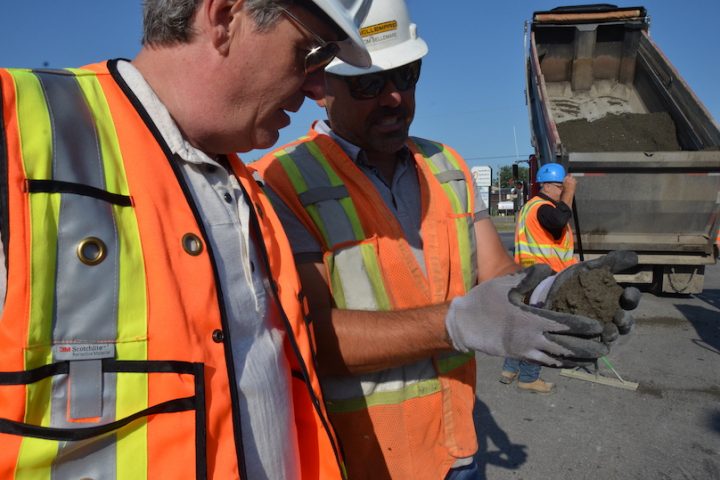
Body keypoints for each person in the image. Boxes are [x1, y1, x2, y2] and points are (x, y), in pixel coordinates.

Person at [253, 2, 638, 478]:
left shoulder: (446, 166)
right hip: (361, 459)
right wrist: (454, 324)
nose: (394, 98)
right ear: (318, 87)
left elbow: (497, 275)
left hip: (456, 445)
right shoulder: (281, 180)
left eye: (406, 75)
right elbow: (310, 338)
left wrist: (550, 295)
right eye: (369, 83)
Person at [0, 1, 373, 478]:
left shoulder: (247, 189)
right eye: (310, 52)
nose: (319, 86)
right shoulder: (16, 130)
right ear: (224, 17)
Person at [501, 163, 578, 393]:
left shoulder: (530, 207)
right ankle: (529, 377)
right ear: (546, 185)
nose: (560, 190)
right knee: (538, 329)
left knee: (523, 325)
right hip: (544, 276)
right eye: (559, 186)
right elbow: (558, 221)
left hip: (529, 274)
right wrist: (570, 192)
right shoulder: (543, 208)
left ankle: (510, 368)